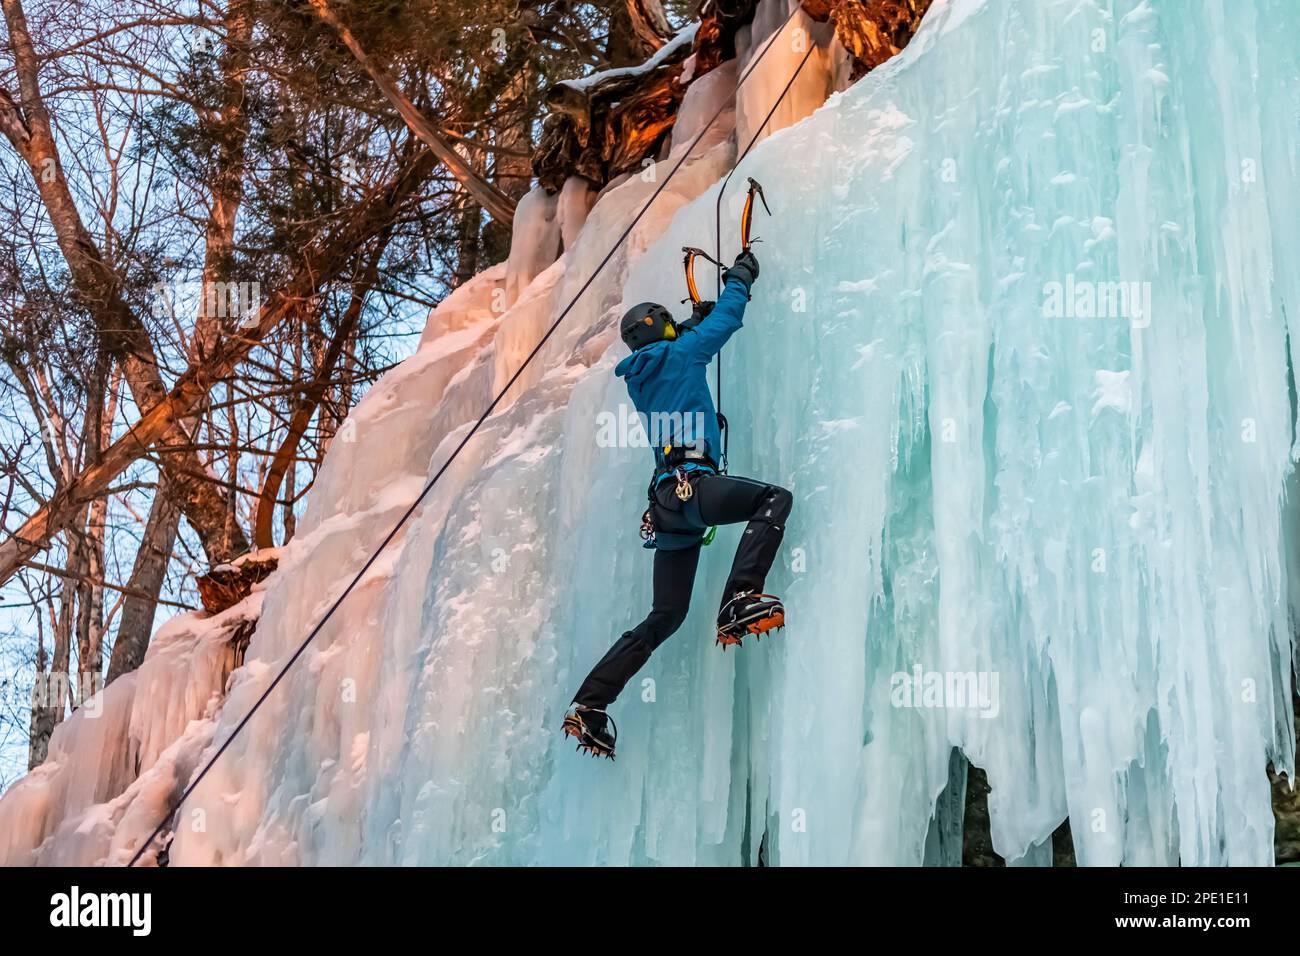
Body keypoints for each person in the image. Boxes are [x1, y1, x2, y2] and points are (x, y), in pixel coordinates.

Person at [563, 249, 793, 759]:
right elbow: (729, 318)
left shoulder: (642, 376)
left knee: (665, 616)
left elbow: (680, 346)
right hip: (694, 485)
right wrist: (741, 277)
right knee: (775, 499)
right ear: (663, 330)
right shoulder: (682, 354)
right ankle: (740, 596)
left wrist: (689, 322)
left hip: (668, 503)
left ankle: (589, 704)